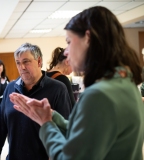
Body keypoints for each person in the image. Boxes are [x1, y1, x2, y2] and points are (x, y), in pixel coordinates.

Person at [10, 6, 144, 160]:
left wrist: (46, 124)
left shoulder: (99, 95)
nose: (66, 51)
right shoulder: (125, 82)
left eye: (68, 42)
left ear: (87, 38)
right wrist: (52, 117)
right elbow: (88, 135)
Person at [0, 43, 72, 160]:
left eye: (26, 61)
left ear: (39, 61)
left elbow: (64, 131)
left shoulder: (58, 89)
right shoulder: (10, 88)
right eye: (18, 63)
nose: (22, 67)